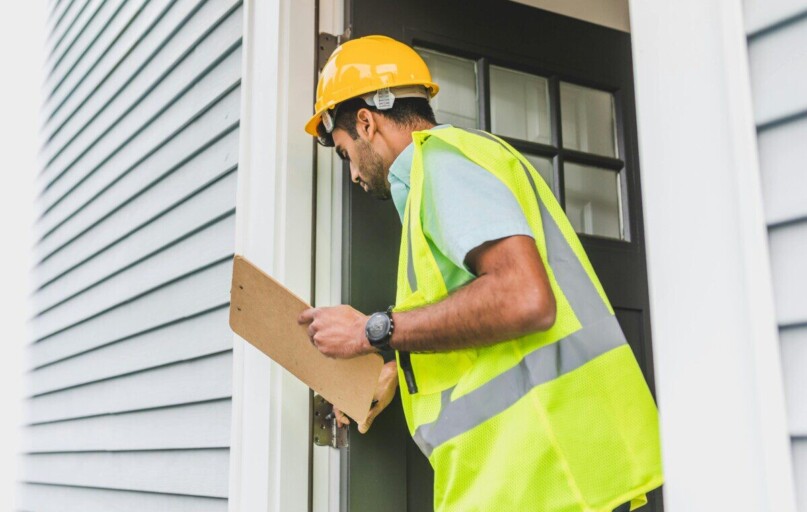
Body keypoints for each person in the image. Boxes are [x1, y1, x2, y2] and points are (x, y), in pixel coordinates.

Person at [298, 35, 663, 512]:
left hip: (546, 475)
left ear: (366, 122)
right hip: (543, 475)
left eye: (345, 153)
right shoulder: (453, 168)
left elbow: (524, 299)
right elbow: (478, 319)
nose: (352, 174)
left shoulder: (443, 165)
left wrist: (371, 331)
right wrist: (394, 367)